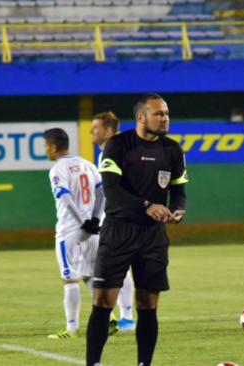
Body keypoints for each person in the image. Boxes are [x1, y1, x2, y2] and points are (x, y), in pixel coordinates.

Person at [86, 93, 187, 366]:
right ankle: (92, 363)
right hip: (118, 232)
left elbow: (179, 191)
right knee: (104, 301)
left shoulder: (173, 150)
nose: (165, 118)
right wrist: (146, 205)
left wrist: (178, 209)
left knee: (147, 304)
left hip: (153, 236)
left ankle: (144, 364)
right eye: (158, 114)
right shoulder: (118, 145)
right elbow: (112, 190)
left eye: (166, 113)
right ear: (141, 117)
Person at [45, 128, 104, 339]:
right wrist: (96, 219)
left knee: (69, 280)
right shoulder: (87, 164)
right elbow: (102, 192)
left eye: (46, 147)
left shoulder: (58, 169)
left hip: (70, 230)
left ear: (53, 147)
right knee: (89, 276)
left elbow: (66, 199)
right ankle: (110, 319)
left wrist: (84, 222)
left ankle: (72, 329)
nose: (46, 151)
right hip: (92, 233)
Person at [91, 111, 136, 332]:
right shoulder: (119, 149)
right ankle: (126, 317)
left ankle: (127, 318)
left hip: (120, 220)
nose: (91, 131)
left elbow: (113, 191)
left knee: (119, 267)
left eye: (96, 127)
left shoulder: (114, 151)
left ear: (108, 131)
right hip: (119, 218)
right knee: (119, 268)